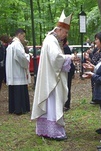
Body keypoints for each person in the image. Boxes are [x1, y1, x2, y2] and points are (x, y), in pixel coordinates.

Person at [31, 10, 73, 140]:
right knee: (53, 103)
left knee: (50, 104)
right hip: (52, 80)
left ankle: (46, 130)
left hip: (51, 77)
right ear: (59, 30)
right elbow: (56, 58)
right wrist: (70, 57)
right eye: (65, 32)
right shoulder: (51, 40)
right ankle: (54, 132)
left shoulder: (50, 39)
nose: (65, 35)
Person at [5, 28, 31, 115]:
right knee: (19, 90)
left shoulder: (11, 44)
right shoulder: (17, 45)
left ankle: (13, 108)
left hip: (13, 72)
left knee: (14, 90)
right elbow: (22, 57)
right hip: (17, 72)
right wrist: (28, 56)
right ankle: (20, 108)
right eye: (23, 36)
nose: (24, 38)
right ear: (19, 35)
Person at [89, 31, 101, 104]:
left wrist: (93, 67)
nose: (95, 41)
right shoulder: (97, 50)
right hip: (95, 72)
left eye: (97, 39)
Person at [63, 38, 75, 111]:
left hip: (68, 69)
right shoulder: (64, 47)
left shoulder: (65, 47)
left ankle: (67, 105)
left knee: (67, 86)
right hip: (67, 69)